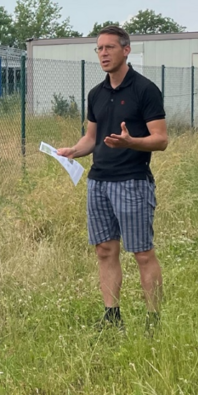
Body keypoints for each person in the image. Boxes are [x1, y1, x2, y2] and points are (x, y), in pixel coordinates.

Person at [57, 26, 168, 329]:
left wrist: (132, 142)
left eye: (109, 48)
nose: (103, 54)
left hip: (132, 181)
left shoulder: (145, 90)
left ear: (126, 50)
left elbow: (161, 139)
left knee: (142, 253)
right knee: (105, 250)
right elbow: (91, 138)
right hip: (98, 182)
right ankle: (111, 317)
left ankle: (153, 321)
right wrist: (72, 151)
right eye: (99, 49)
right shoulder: (96, 93)